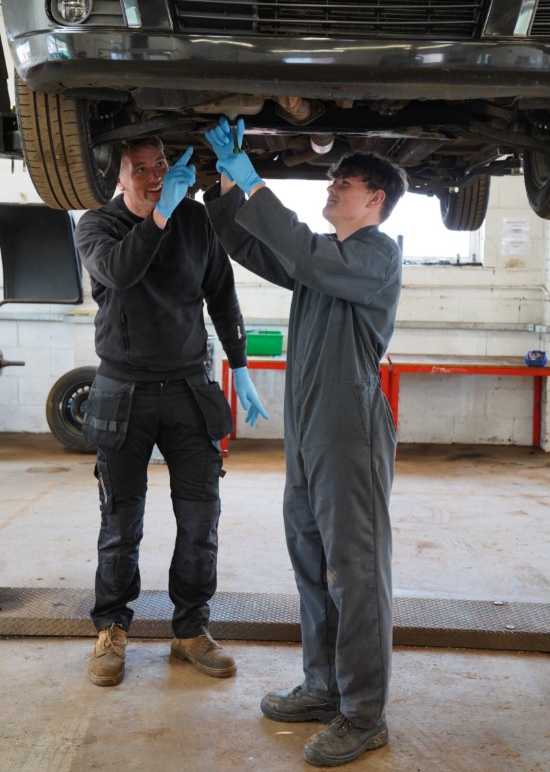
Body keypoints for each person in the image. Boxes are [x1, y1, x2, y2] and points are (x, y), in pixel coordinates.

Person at [203, 116, 408, 767]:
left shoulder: (376, 253)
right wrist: (221, 192)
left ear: (373, 199)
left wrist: (252, 179)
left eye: (342, 182)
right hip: (310, 429)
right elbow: (263, 250)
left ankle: (364, 713)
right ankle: (323, 686)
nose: (331, 187)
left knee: (356, 571)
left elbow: (302, 249)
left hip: (350, 429)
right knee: (313, 564)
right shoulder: (325, 261)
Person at [75, 136, 268, 687]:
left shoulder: (193, 220)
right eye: (141, 169)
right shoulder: (97, 226)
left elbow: (222, 292)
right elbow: (119, 272)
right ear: (118, 178)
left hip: (188, 389)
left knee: (200, 519)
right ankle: (111, 628)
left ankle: (190, 630)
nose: (155, 175)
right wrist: (159, 215)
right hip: (123, 392)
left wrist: (241, 364)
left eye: (161, 164)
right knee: (120, 523)